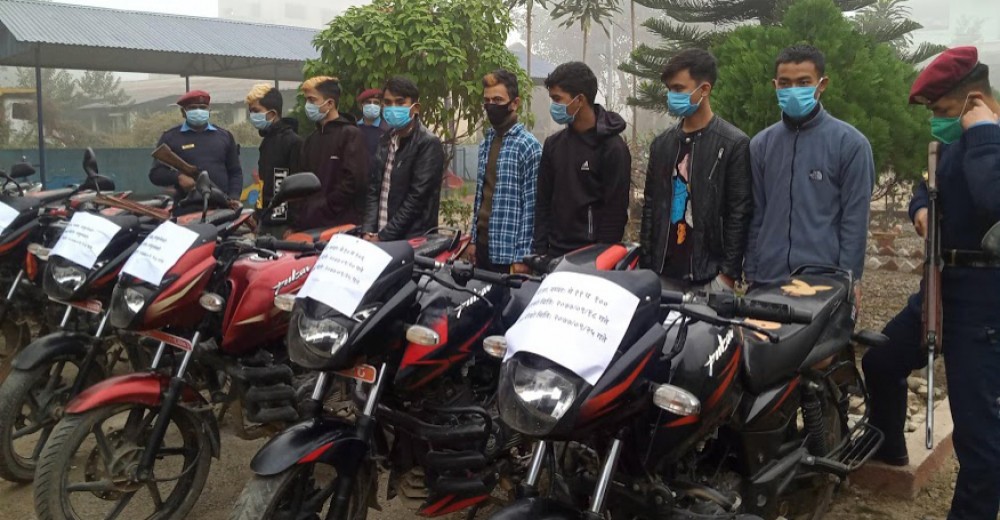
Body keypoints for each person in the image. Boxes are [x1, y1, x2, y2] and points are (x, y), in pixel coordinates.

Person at [862, 47, 1000, 520]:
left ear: (974, 100)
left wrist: (983, 133)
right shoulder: (958, 143)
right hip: (941, 289)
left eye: (943, 110)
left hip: (985, 303)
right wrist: (919, 207)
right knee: (881, 359)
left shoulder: (986, 139)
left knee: (979, 440)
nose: (937, 122)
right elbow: (930, 183)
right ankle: (888, 448)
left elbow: (993, 199)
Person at [744, 45, 874, 289]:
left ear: (822, 84)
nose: (793, 91)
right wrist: (751, 271)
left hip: (823, 283)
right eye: (785, 83)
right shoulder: (761, 145)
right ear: (775, 85)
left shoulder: (850, 144)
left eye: (804, 82)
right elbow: (756, 214)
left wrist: (848, 282)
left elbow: (854, 222)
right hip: (767, 280)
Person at [640, 49, 752, 291]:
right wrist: (647, 266)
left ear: (704, 89)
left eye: (679, 89)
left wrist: (727, 275)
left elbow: (739, 213)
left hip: (708, 277)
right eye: (670, 89)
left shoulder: (733, 144)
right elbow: (650, 207)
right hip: (662, 274)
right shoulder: (662, 144)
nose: (672, 96)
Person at [533, 61, 630, 257]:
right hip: (554, 254)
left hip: (591, 258)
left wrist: (600, 259)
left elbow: (615, 213)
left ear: (579, 100)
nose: (554, 106)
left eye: (558, 99)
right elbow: (543, 203)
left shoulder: (613, 148)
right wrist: (540, 251)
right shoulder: (553, 145)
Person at [467, 70, 542, 273]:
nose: (491, 106)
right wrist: (473, 240)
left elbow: (531, 207)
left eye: (498, 100)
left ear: (514, 103)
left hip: (508, 253)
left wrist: (523, 256)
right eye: (487, 100)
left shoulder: (528, 146)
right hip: (482, 246)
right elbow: (481, 197)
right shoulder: (486, 143)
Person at [363, 76, 445, 241]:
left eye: (400, 103)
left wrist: (384, 236)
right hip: (379, 235)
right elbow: (374, 189)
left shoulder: (427, 143)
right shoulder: (385, 140)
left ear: (415, 108)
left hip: (412, 240)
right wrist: (369, 230)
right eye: (388, 102)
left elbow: (416, 199)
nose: (393, 108)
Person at [290, 76, 368, 230]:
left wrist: (325, 207)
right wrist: (298, 220)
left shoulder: (350, 135)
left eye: (312, 100)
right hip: (309, 227)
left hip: (341, 227)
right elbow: (301, 184)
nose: (308, 105)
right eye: (306, 100)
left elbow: (354, 182)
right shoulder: (311, 140)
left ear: (330, 103)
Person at [149, 90, 243, 199]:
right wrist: (178, 177)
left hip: (221, 203)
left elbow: (235, 172)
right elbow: (156, 174)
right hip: (186, 204)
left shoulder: (225, 136)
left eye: (203, 108)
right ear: (183, 112)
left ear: (209, 110)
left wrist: (234, 197)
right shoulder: (170, 137)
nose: (198, 111)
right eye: (193, 108)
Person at [245, 83, 301, 232]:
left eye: (256, 111)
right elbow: (264, 184)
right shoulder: (267, 141)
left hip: (284, 224)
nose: (252, 116)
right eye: (250, 111)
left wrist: (294, 226)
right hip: (265, 221)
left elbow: (299, 190)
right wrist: (257, 214)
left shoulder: (293, 142)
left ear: (272, 114)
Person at [356, 88, 389, 161]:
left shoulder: (387, 130)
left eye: (376, 103)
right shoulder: (354, 128)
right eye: (368, 102)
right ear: (361, 106)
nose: (372, 105)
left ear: (381, 106)